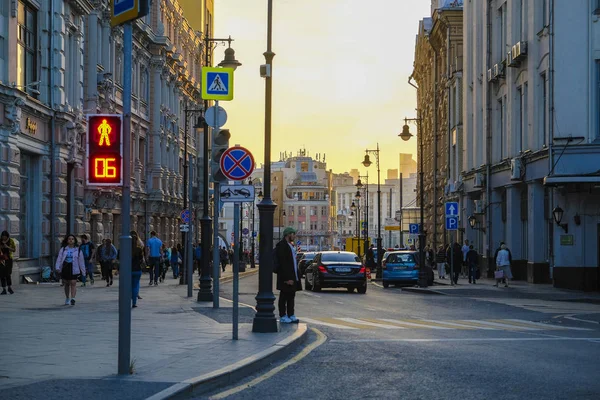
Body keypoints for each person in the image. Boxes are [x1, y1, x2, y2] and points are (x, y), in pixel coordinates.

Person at [273, 227, 302, 324]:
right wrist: (286, 279)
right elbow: (283, 263)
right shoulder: (282, 246)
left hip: (292, 276)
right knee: (284, 296)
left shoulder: (290, 245)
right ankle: (283, 315)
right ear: (287, 234)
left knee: (291, 296)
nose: (294, 236)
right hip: (286, 277)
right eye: (292, 234)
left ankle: (291, 314)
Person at [55, 234, 86, 305]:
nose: (71, 240)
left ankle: (73, 298)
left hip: (74, 267)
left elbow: (81, 262)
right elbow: (59, 259)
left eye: (72, 239)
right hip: (66, 267)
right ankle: (67, 298)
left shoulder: (78, 250)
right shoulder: (63, 249)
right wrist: (57, 267)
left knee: (73, 283)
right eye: (69, 239)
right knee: (66, 283)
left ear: (74, 241)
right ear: (67, 240)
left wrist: (83, 272)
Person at [130, 231, 144, 308]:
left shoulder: (126, 248)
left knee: (129, 285)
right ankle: (134, 302)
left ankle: (129, 298)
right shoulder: (139, 249)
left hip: (128, 270)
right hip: (137, 270)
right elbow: (141, 260)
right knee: (135, 285)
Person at [0, 231, 17, 295]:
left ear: (7, 236)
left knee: (8, 274)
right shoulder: (0, 241)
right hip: (1, 259)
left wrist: (7, 247)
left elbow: (14, 250)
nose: (3, 238)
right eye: (2, 237)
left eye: (4, 237)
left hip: (9, 259)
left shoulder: (11, 241)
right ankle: (4, 289)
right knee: (2, 274)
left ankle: (9, 287)